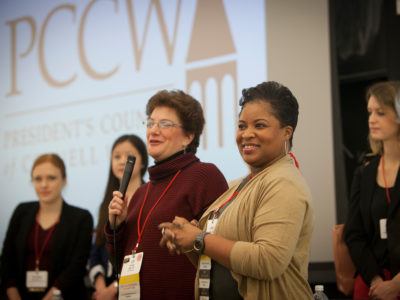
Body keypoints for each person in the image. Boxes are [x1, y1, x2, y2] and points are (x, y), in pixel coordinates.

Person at [160, 81, 314, 300]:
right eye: (242, 126)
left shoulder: (284, 182)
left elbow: (267, 261)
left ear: (286, 132)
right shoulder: (237, 185)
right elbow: (217, 256)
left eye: (259, 125)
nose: (247, 134)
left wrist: (201, 239)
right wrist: (188, 237)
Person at [107, 90, 228, 299]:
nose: (154, 130)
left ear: (188, 136)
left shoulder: (203, 175)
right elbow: (119, 263)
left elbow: (222, 250)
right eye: (151, 123)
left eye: (165, 124)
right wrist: (115, 227)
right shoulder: (140, 193)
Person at [0, 153, 93, 300]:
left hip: (62, 296)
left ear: (64, 180)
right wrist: (13, 295)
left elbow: (77, 266)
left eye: (51, 178)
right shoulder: (21, 211)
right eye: (38, 179)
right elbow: (7, 259)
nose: (44, 184)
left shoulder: (81, 218)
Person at [344, 81, 400, 300]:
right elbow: (354, 233)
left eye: (380, 113)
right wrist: (376, 280)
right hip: (371, 285)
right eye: (369, 112)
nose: (371, 119)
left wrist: (397, 284)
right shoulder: (364, 173)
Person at [89, 135, 148, 300]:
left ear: (142, 161)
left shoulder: (150, 197)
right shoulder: (108, 202)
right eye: (116, 156)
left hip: (139, 285)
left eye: (128, 156)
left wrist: (115, 287)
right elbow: (97, 248)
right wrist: (101, 287)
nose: (122, 161)